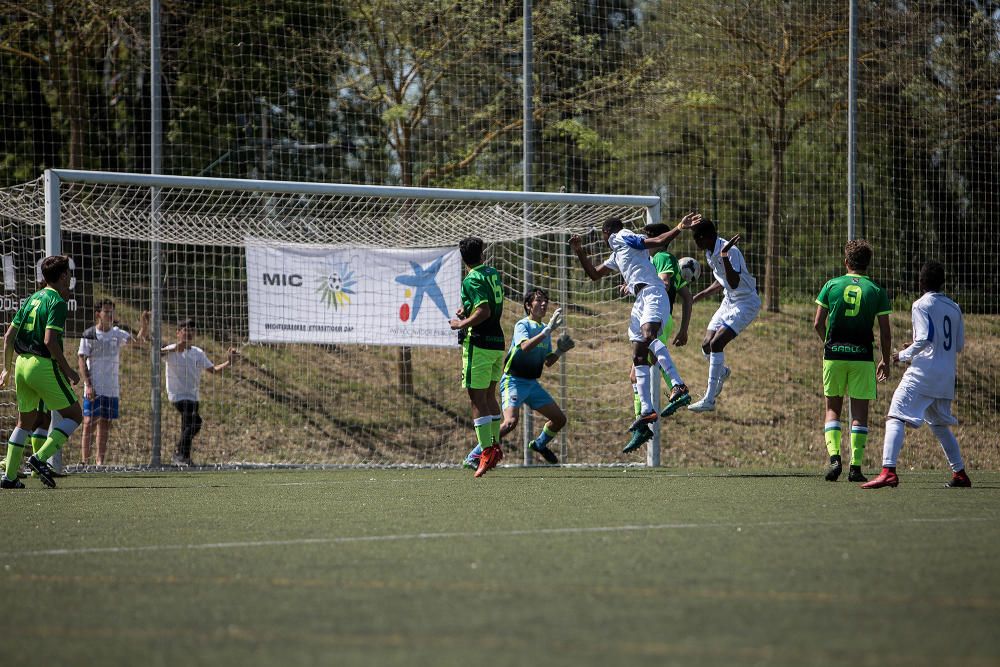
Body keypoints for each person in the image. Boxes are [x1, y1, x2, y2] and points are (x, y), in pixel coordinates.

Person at [569, 214, 696, 454]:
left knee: (648, 337)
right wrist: (579, 251)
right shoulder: (616, 254)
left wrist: (679, 228)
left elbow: (653, 241)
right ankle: (647, 410)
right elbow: (594, 274)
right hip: (639, 299)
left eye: (604, 235)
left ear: (608, 233)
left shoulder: (621, 236)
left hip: (653, 293)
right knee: (638, 355)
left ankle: (678, 386)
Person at [863, 261, 971, 489]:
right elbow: (957, 345)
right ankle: (960, 473)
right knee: (939, 425)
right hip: (946, 376)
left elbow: (923, 339)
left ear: (920, 282)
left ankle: (888, 471)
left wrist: (900, 355)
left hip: (924, 373)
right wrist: (918, 346)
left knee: (896, 415)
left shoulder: (921, 305)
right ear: (943, 282)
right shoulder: (954, 307)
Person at [463, 288, 574, 469]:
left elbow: (547, 361)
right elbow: (524, 347)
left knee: (560, 419)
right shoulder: (522, 325)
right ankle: (474, 455)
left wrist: (560, 351)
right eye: (539, 300)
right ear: (528, 306)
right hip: (513, 381)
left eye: (545, 301)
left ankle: (539, 444)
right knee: (510, 423)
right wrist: (547, 331)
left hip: (531, 384)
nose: (544, 304)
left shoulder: (544, 330)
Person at [0, 255, 83, 489]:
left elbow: (8, 337)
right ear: (64, 275)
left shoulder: (31, 298)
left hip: (21, 364)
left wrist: (6, 369)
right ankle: (39, 458)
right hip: (41, 365)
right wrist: (68, 370)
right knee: (74, 415)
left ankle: (9, 477)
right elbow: (49, 340)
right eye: (69, 273)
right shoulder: (56, 301)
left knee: (23, 422)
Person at [814, 240, 892, 483]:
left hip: (834, 355)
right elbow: (885, 331)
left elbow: (818, 323)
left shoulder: (831, 285)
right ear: (868, 264)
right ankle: (855, 467)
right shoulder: (877, 291)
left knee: (832, 409)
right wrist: (885, 360)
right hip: (862, 357)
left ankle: (834, 459)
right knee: (860, 412)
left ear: (846, 262)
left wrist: (828, 342)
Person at [683, 217, 761, 412]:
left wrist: (725, 255)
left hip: (746, 303)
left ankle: (709, 399)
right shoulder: (709, 252)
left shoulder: (730, 251)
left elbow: (734, 282)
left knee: (717, 343)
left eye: (697, 238)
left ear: (708, 237)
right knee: (706, 346)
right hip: (729, 301)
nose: (695, 242)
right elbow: (722, 281)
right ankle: (722, 371)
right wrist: (699, 296)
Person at [627, 222, 694, 444]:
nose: (643, 243)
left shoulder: (661, 258)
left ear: (657, 239)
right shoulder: (657, 261)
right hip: (662, 319)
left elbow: (664, 283)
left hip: (657, 320)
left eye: (646, 238)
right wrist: (684, 329)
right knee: (635, 374)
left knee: (641, 367)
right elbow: (687, 295)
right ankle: (642, 424)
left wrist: (645, 287)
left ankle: (677, 388)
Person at [449, 237, 505, 478]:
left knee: (476, 399)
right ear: (482, 254)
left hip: (480, 343)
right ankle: (494, 447)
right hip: (497, 342)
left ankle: (486, 451)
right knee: (490, 397)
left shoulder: (471, 278)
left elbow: (484, 311)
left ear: (463, 259)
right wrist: (468, 307)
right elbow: (484, 304)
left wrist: (461, 322)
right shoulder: (492, 273)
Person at [78, 300, 150, 466]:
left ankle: (99, 462)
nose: (110, 316)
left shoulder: (117, 333)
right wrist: (88, 384)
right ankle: (84, 461)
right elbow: (81, 358)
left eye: (112, 312)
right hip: (93, 387)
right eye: (107, 312)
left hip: (111, 388)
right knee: (88, 422)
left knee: (104, 423)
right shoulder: (89, 333)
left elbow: (138, 341)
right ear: (98, 315)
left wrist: (144, 323)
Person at [161, 319, 238, 466]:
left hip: (193, 396)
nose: (188, 333)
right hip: (178, 395)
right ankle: (178, 452)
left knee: (188, 425)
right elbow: (156, 352)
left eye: (191, 330)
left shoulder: (198, 353)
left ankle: (184, 458)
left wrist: (229, 362)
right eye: (184, 330)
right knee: (196, 422)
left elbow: (213, 370)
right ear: (178, 333)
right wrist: (175, 348)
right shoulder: (171, 349)